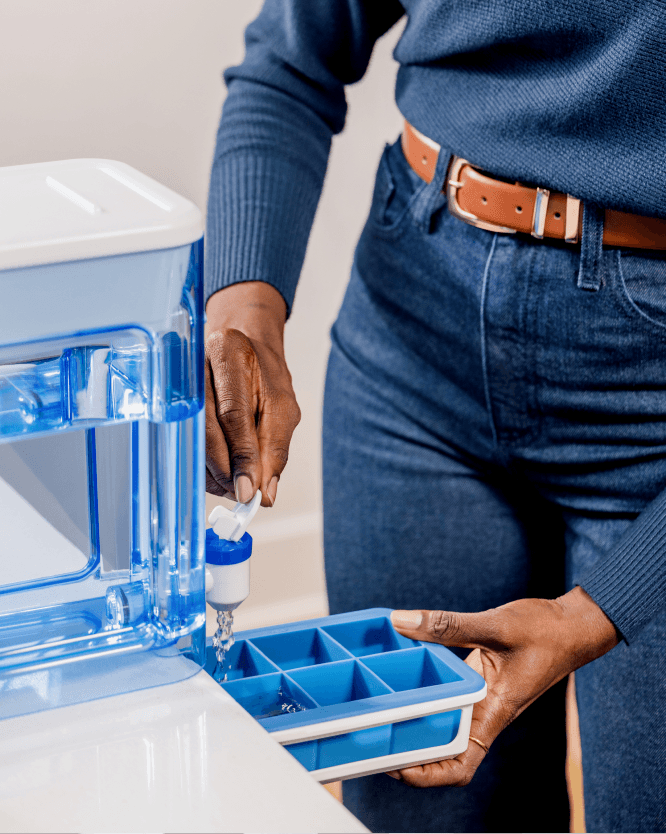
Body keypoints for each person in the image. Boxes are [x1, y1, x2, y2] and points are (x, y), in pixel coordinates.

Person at [203, 2, 666, 832]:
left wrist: (603, 608)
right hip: (410, 343)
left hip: (652, 405)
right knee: (417, 806)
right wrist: (241, 307)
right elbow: (289, 63)